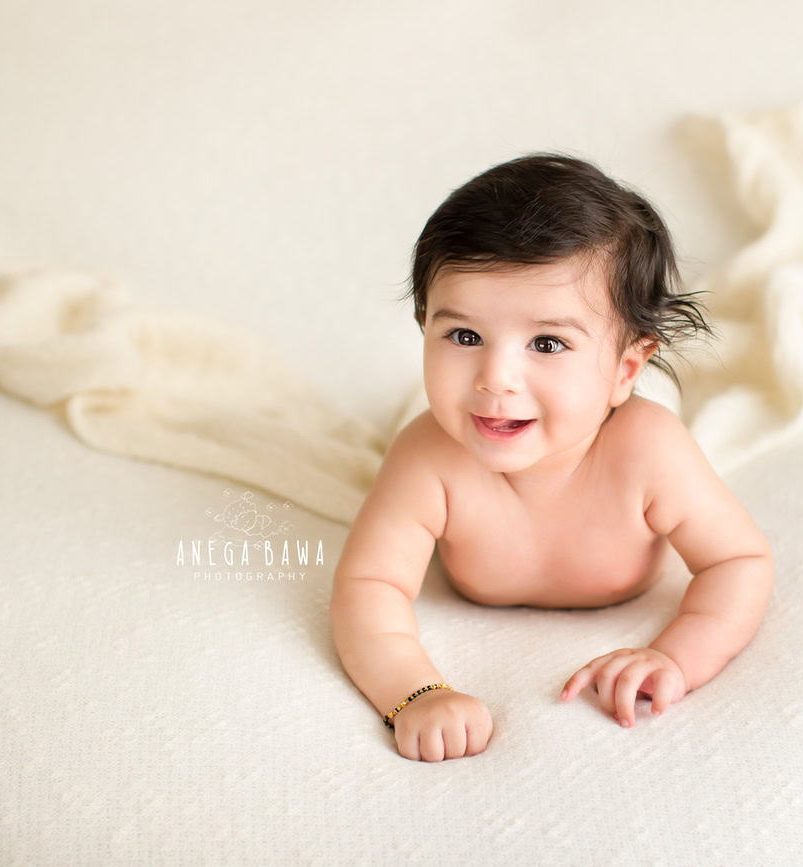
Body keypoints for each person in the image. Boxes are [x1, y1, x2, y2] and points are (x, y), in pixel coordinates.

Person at [329, 152, 776, 762]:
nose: (495, 376)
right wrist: (414, 694)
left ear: (626, 369)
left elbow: (739, 561)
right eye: (464, 336)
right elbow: (368, 585)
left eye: (546, 342)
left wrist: (675, 656)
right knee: (427, 408)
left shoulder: (650, 453)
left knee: (654, 409)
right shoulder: (429, 456)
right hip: (486, 422)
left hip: (605, 417)